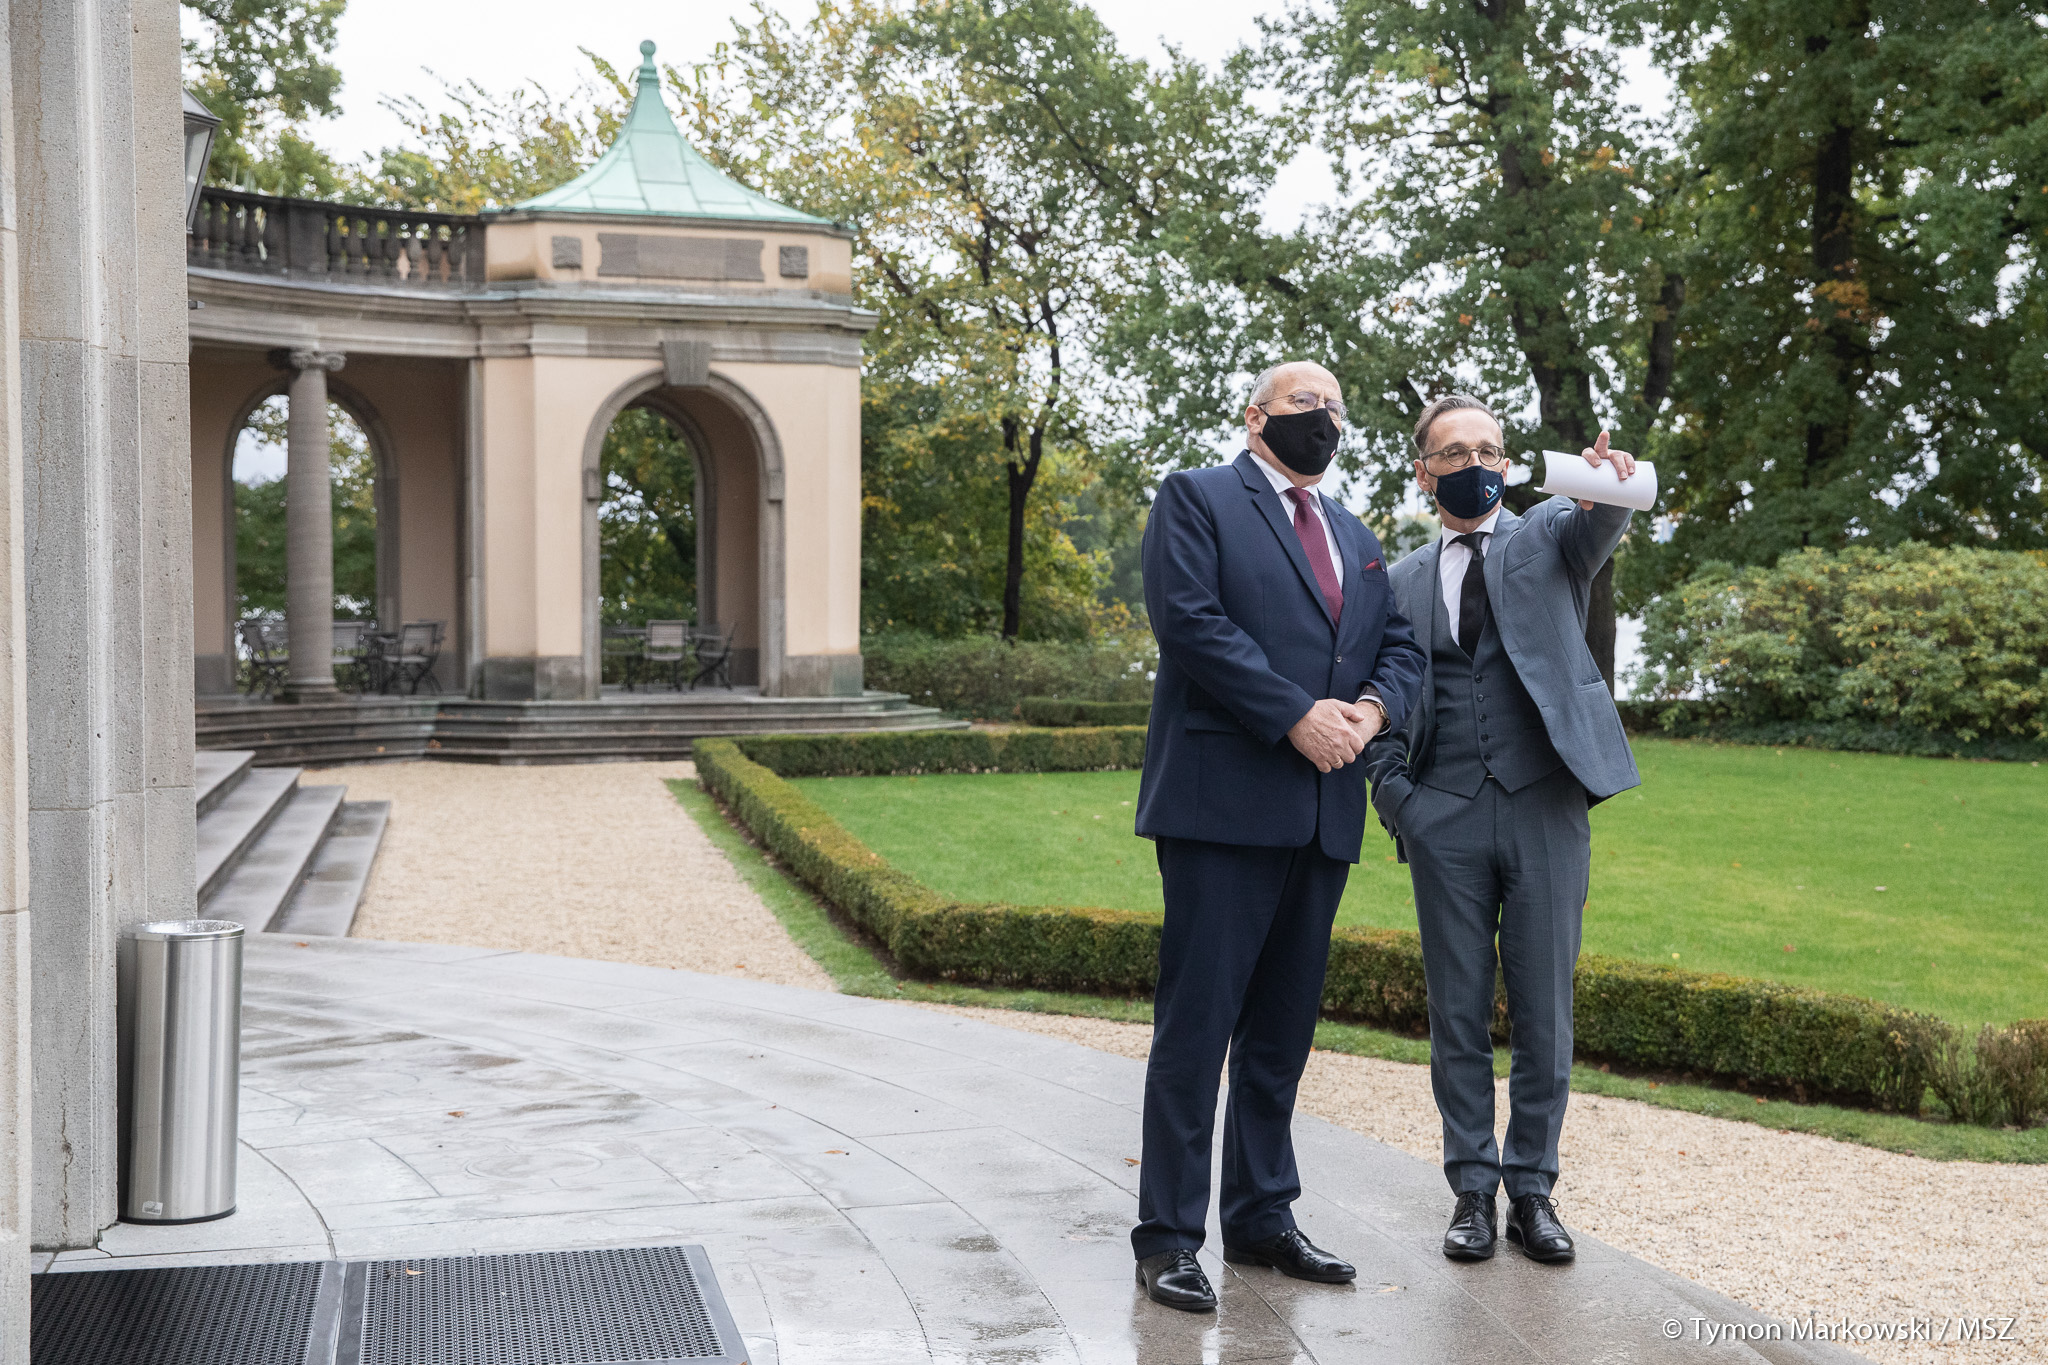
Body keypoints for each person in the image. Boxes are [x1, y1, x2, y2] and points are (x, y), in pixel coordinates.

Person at [1131, 360, 1427, 1311]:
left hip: (1323, 810)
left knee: (1282, 1035)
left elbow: (1399, 645)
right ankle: (1169, 1236)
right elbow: (1191, 624)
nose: (1326, 418)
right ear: (1256, 415)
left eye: (1337, 407)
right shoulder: (1197, 499)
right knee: (1197, 1029)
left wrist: (1371, 713)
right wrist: (1296, 713)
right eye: (1308, 402)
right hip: (1223, 805)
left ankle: (1261, 1216)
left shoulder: (1355, 534)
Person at [1361, 394, 1641, 1265]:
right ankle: (1472, 1192)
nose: (1475, 462)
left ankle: (1533, 1191)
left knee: (1545, 1009)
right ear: (1424, 472)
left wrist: (1607, 485)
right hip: (1441, 814)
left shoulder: (1550, 533)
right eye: (1455, 451)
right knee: (1456, 1011)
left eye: (1489, 449)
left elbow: (1598, 526)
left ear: (1509, 464)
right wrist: (1400, 800)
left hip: (1544, 805)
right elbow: (1381, 693)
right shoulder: (1399, 580)